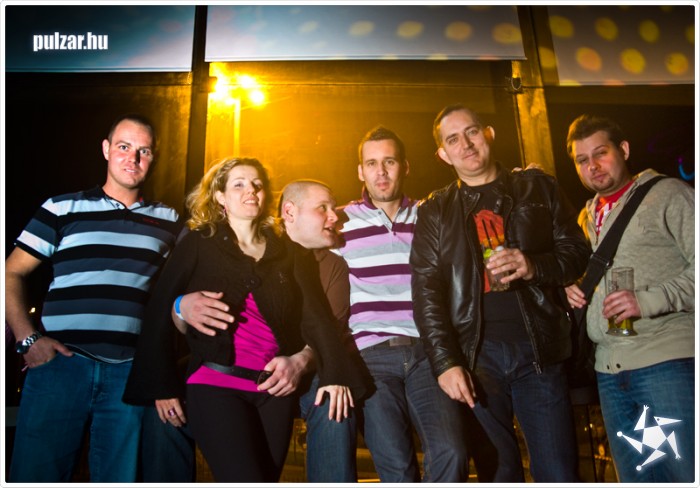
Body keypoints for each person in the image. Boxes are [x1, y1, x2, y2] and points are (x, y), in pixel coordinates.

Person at [123, 158, 366, 482]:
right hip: (215, 385)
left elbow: (316, 316)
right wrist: (162, 385)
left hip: (274, 391)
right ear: (220, 196)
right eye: (238, 184)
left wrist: (335, 374)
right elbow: (160, 306)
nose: (250, 190)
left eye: (257, 184)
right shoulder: (199, 241)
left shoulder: (288, 251)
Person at [410, 105, 590, 482]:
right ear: (443, 154)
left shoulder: (537, 187)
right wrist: (445, 362)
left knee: (558, 472)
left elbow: (576, 251)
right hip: (476, 357)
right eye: (453, 139)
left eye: (472, 132)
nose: (465, 144)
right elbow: (427, 293)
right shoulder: (435, 210)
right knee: (497, 474)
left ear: (488, 134)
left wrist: (534, 265)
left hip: (539, 348)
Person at [5, 114, 180, 482]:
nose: (133, 158)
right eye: (124, 147)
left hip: (129, 374)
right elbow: (10, 273)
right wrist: (27, 340)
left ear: (154, 157)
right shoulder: (62, 208)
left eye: (144, 151)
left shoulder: (168, 220)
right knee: (36, 476)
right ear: (106, 150)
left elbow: (183, 289)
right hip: (60, 365)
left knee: (119, 479)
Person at [333, 125, 470, 482]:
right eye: (372, 163)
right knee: (396, 467)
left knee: (452, 452)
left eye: (389, 162)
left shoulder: (429, 215)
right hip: (370, 357)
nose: (381, 172)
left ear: (405, 166)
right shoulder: (340, 221)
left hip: (427, 354)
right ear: (360, 171)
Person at [564, 114, 695, 483]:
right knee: (641, 479)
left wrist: (647, 301)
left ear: (623, 149)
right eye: (582, 159)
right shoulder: (586, 216)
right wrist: (573, 287)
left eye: (601, 153)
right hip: (610, 374)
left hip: (666, 365)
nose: (592, 165)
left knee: (686, 475)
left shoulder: (668, 194)